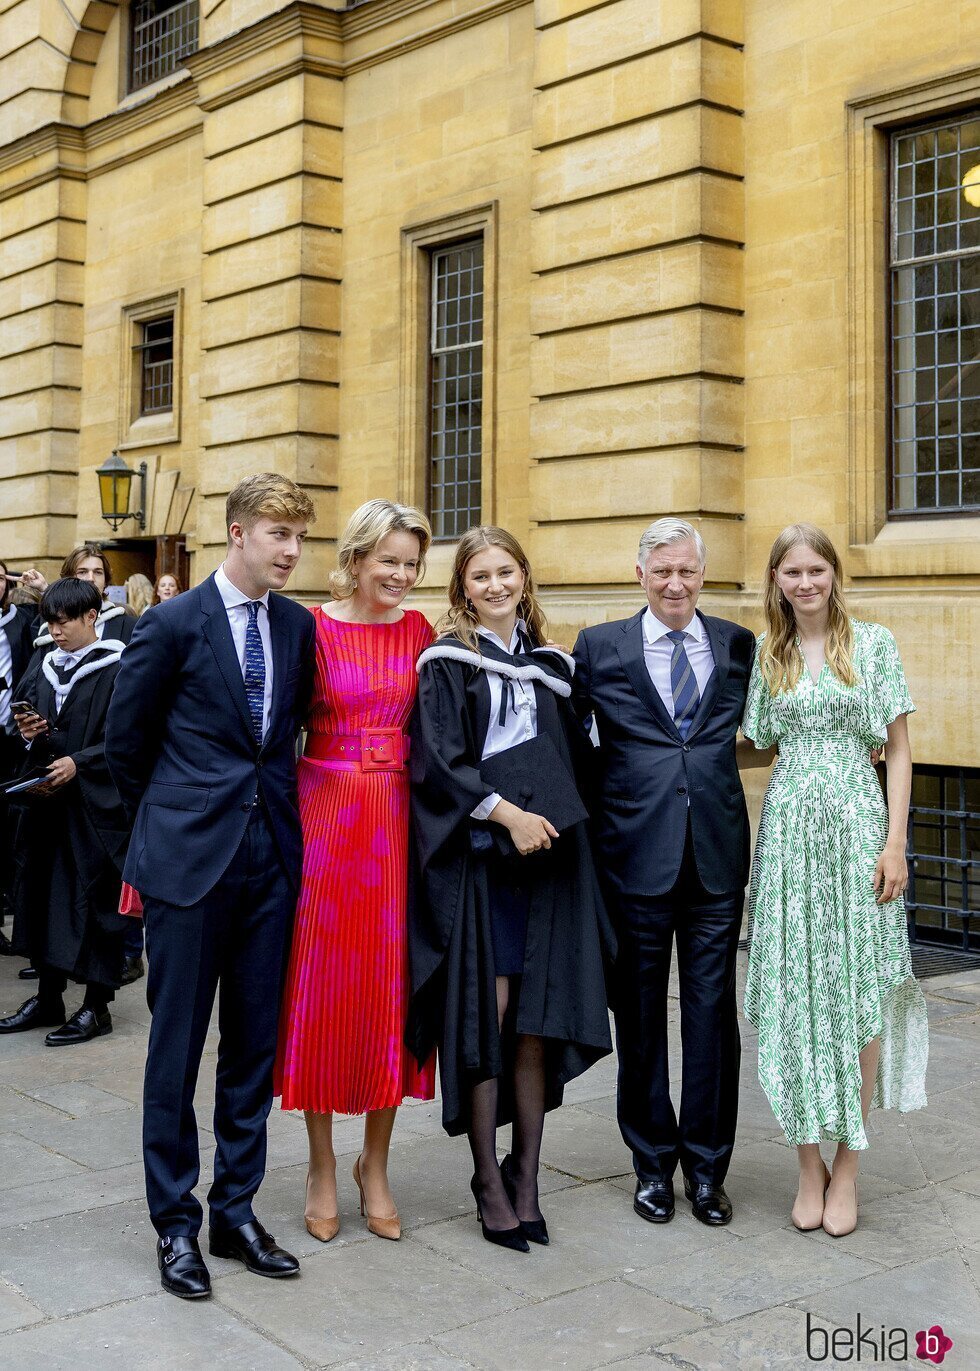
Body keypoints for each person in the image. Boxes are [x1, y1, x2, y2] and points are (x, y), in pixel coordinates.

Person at [105, 473, 316, 1301]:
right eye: (278, 535)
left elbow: (284, 737)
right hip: (188, 868)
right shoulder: (171, 622)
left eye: (299, 537)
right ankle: (175, 1223)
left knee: (253, 1046)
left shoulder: (296, 627)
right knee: (176, 1047)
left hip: (272, 860)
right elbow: (127, 745)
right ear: (237, 534)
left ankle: (235, 1209)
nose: (292, 550)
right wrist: (162, 834)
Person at [408, 527, 614, 1253]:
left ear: (525, 577)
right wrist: (511, 814)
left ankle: (525, 1174)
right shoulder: (446, 663)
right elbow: (437, 763)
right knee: (489, 1014)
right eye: (480, 575)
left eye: (506, 571)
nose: (495, 585)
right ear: (462, 586)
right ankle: (485, 1180)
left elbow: (583, 764)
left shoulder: (557, 666)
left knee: (536, 1016)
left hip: (551, 863)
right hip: (484, 862)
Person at [740, 524, 928, 1238]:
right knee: (795, 991)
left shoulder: (873, 643)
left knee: (859, 988)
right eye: (792, 571)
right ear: (777, 579)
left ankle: (849, 1163)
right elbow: (754, 743)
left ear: (833, 573)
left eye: (816, 568)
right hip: (788, 838)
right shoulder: (769, 654)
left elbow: (902, 749)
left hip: (858, 836)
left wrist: (894, 843)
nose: (806, 582)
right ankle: (807, 1163)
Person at [572, 518, 755, 1228]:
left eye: (687, 571)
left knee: (712, 1016)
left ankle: (707, 1169)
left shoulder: (737, 645)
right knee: (641, 1017)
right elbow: (573, 745)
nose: (675, 583)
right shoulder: (600, 647)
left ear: (701, 574)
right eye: (662, 571)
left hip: (714, 856)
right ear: (640, 573)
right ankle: (652, 1164)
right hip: (633, 857)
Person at [275, 499, 436, 1245]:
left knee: (387, 988)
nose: (401, 575)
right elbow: (277, 728)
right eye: (390, 560)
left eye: (411, 563)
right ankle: (319, 1164)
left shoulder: (420, 632)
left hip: (398, 823)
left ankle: (375, 1163)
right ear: (357, 557)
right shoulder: (311, 626)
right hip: (326, 817)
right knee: (321, 983)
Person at [0, 579, 129, 1044]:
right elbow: (27, 733)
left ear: (91, 617)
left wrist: (81, 762)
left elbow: (128, 738)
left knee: (94, 901)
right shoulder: (44, 666)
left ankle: (97, 1006)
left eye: (64, 621)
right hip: (48, 805)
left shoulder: (118, 666)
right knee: (40, 894)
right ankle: (49, 995)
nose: (54, 631)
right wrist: (31, 735)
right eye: (50, 622)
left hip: (95, 808)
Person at [0, 560, 37, 957]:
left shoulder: (22, 620)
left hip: (11, 738)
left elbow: (62, 612)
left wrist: (38, 584)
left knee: (9, 829)